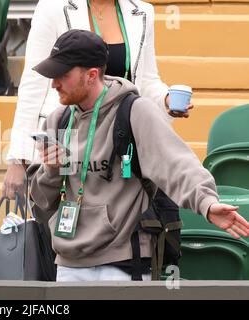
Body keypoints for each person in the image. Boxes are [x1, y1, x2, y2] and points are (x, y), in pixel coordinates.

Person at [29, 29, 249, 282]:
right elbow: (42, 200)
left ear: (91, 76)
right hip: (68, 264)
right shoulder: (58, 120)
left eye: (62, 76)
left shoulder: (135, 111)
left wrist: (207, 203)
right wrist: (52, 170)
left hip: (123, 262)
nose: (54, 84)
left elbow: (176, 164)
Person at [3, 0, 193, 199]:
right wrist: (19, 158)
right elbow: (33, 84)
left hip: (120, 138)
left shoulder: (144, 11)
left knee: (121, 215)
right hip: (70, 135)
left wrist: (166, 100)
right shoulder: (52, 7)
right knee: (65, 215)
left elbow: (146, 80)